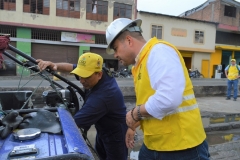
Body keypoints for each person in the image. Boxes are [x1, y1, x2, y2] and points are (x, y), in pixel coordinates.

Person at [106, 18, 210, 160]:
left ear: (129, 41)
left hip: (183, 148)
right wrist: (133, 125)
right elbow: (150, 100)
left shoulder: (158, 51)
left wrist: (135, 114)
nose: (115, 55)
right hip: (154, 146)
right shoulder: (141, 63)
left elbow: (169, 98)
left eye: (116, 48)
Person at [37, 52, 128, 160]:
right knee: (100, 154)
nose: (81, 80)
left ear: (99, 74)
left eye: (86, 76)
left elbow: (73, 125)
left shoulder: (102, 97)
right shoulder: (97, 70)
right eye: (80, 74)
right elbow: (71, 67)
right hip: (102, 127)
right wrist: (54, 65)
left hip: (116, 134)